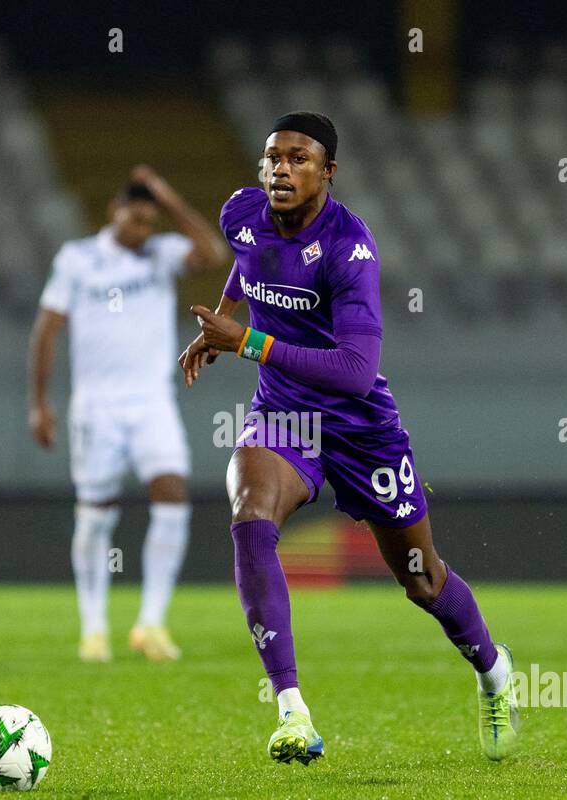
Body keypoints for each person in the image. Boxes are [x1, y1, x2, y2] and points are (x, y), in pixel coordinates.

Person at [178, 113, 520, 763]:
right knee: (251, 515)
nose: (281, 169)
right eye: (272, 157)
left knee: (421, 580)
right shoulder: (240, 214)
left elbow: (355, 372)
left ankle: (493, 671)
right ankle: (292, 712)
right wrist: (222, 321)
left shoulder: (349, 249)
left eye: (298, 159)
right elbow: (246, 267)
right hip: (284, 416)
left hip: (361, 426)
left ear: (327, 172)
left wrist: (245, 340)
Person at [30, 166, 227, 662]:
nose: (143, 229)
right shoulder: (77, 260)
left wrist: (169, 196)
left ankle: (151, 623)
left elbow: (214, 254)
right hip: (96, 407)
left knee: (173, 494)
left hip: (152, 401)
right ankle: (94, 629)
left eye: (150, 221)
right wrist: (39, 403)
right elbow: (47, 331)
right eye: (136, 218)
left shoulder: (160, 256)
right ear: (113, 212)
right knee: (96, 514)